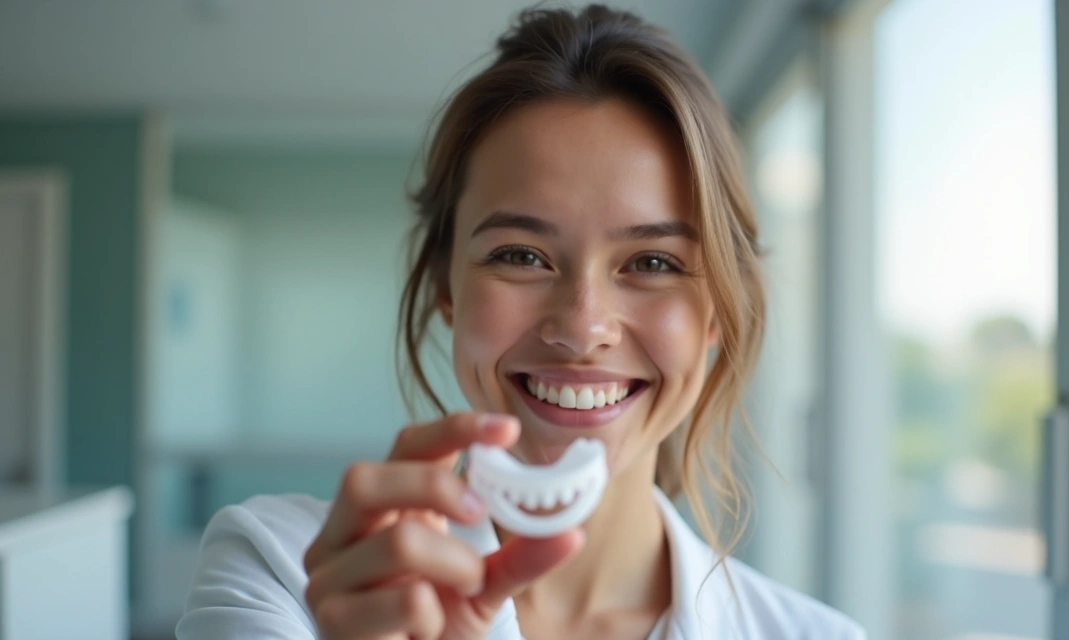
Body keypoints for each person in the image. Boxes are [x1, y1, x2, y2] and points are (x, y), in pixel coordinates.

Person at [176, 5, 865, 639]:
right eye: (521, 255)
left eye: (653, 262)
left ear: (717, 313)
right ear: (448, 287)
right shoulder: (277, 570)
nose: (582, 325)